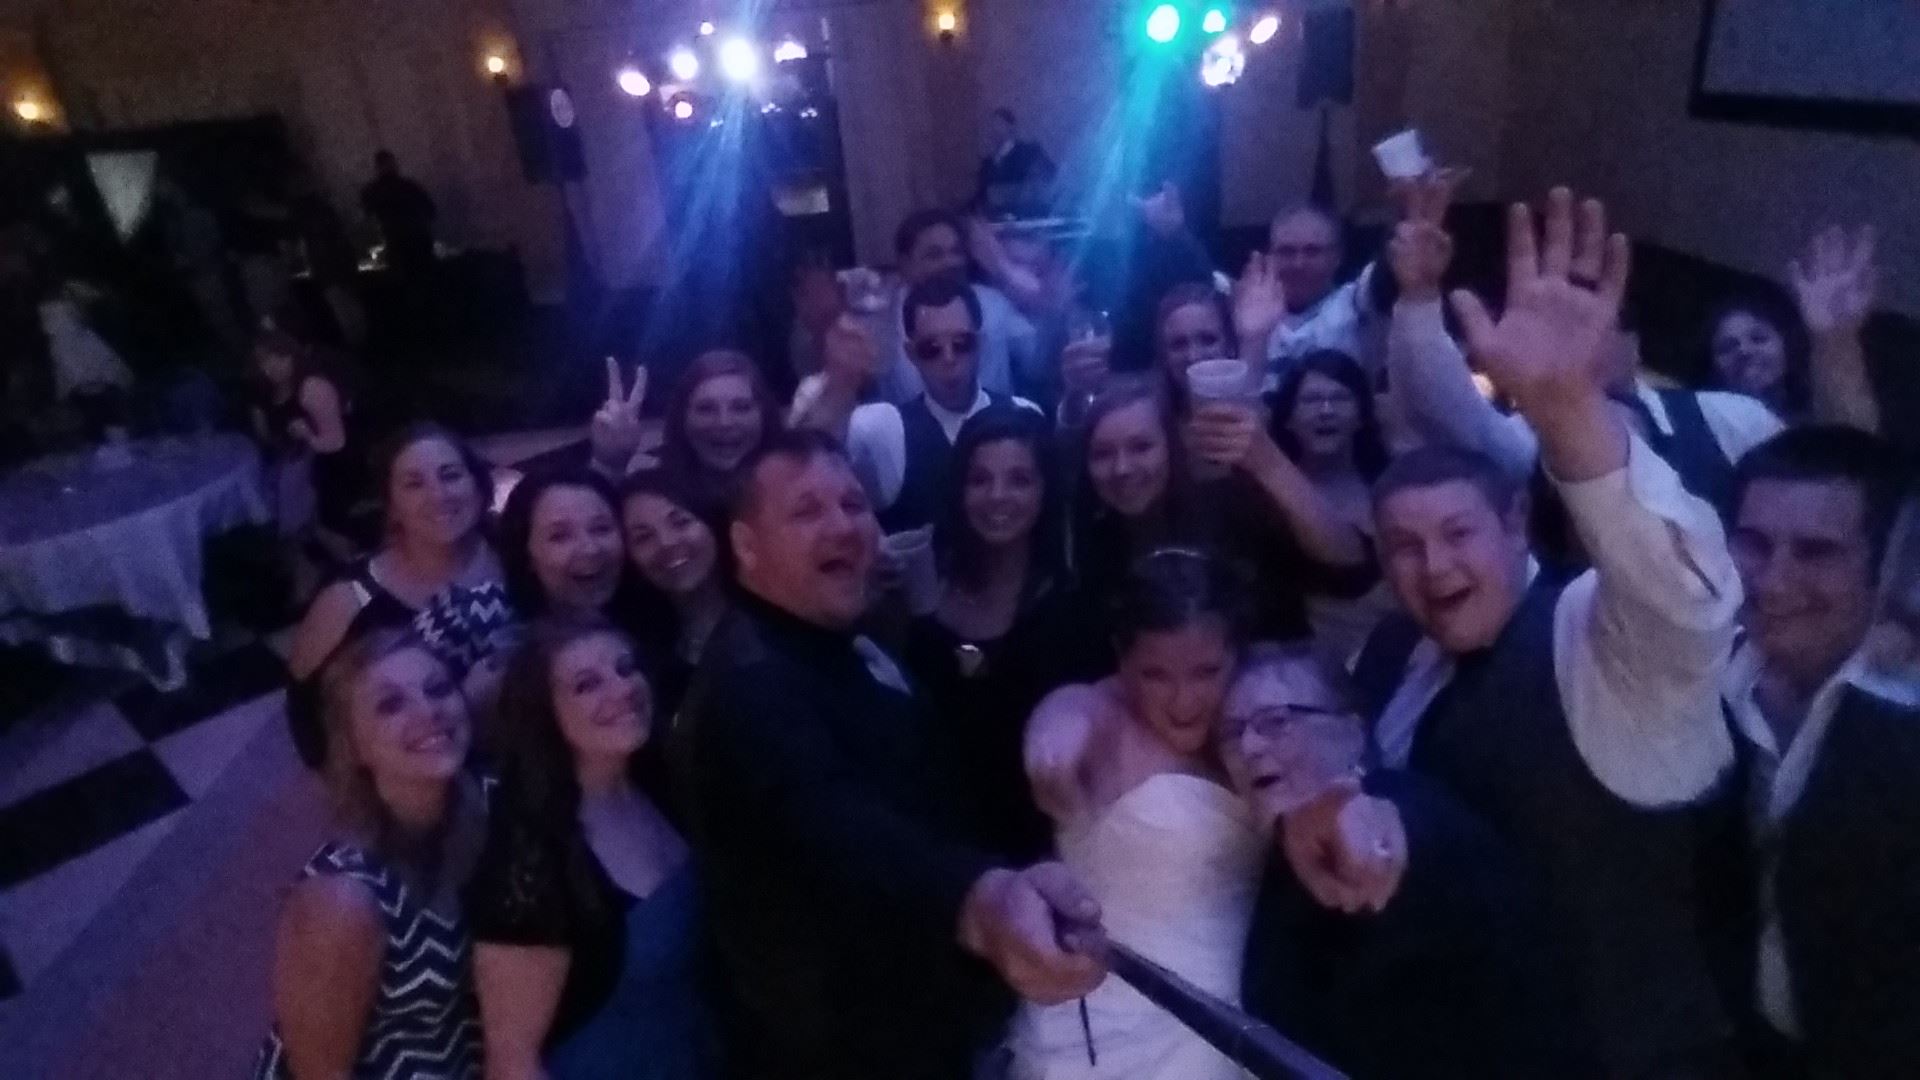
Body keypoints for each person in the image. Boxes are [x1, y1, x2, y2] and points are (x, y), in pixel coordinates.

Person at [1352, 188, 1748, 1075]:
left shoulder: (1597, 639)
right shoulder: (1393, 661)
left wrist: (1569, 410)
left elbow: (1686, 604)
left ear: (1517, 526)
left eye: (1458, 536)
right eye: (1403, 549)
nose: (1435, 566)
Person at [669, 428, 1106, 1080]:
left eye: (852, 504)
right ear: (746, 546)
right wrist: (979, 900)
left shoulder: (841, 638)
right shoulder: (751, 684)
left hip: (911, 1024)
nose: (843, 526)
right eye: (807, 510)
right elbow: (835, 827)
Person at [1223, 645, 1582, 1079]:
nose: (1249, 745)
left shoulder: (1400, 802)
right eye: (1231, 732)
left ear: (1353, 731)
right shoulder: (1277, 870)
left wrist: (1369, 834)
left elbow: (1395, 832)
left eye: (1276, 721)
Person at [1386, 173, 1783, 521]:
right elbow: (1441, 402)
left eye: (1590, 323)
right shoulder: (1530, 438)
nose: (1569, 342)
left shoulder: (1733, 418)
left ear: (1634, 345)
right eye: (1552, 328)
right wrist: (1419, 295)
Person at [1011, 548, 1265, 1080]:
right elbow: (1060, 730)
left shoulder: (1259, 723)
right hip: (1104, 1030)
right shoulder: (1100, 712)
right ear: (1121, 661)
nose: (1183, 700)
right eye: (1155, 675)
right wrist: (1051, 756)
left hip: (1230, 1024)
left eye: (1206, 672)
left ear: (1237, 655)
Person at [1720, 425, 1920, 1078]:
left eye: (1816, 551)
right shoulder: (1703, 685)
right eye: (1753, 543)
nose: (1774, 580)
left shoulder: (1904, 719)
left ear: (1881, 564)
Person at [468, 618, 715, 1080]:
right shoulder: (533, 858)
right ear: (545, 715)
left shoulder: (662, 785)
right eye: (587, 685)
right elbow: (511, 1060)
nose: (622, 690)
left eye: (626, 669)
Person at [253, 630, 488, 1080]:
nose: (429, 711)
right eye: (390, 705)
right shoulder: (344, 902)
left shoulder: (483, 799)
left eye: (438, 688)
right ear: (355, 747)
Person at [902, 406, 1100, 860]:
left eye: (1019, 480)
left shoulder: (1072, 607)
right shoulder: (929, 581)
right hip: (937, 838)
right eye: (980, 480)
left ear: (1045, 489)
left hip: (1041, 848)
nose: (998, 496)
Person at [1071, 376, 1374, 643]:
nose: (1121, 468)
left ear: (1174, 448)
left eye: (1141, 447)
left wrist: (1269, 463)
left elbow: (1351, 568)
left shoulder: (1233, 506)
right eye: (1102, 454)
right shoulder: (1096, 542)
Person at [288, 424, 514, 768]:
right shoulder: (349, 600)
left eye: (450, 475)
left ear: (478, 486)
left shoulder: (515, 546)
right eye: (414, 484)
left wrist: (610, 461)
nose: (439, 495)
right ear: (392, 505)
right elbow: (307, 716)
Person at [809, 273, 1042, 533]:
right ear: (911, 354)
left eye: (961, 344)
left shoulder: (1023, 415)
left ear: (980, 344)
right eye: (931, 348)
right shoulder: (883, 430)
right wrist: (839, 386)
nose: (949, 358)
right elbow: (809, 471)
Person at [1270, 350, 1400, 660]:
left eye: (1339, 398)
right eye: (1311, 400)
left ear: (1360, 416)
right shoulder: (1268, 491)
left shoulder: (1390, 490)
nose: (1325, 410)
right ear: (1288, 418)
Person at [877, 209, 1041, 404]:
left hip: (996, 427)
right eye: (934, 255)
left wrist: (1002, 268)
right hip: (915, 431)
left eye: (956, 252)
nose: (950, 262)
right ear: (906, 264)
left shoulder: (992, 302)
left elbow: (1039, 362)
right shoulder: (884, 313)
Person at [590, 351, 781, 516]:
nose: (724, 422)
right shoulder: (652, 490)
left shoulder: (796, 482)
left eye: (741, 407)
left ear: (764, 414)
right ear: (682, 418)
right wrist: (609, 466)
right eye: (706, 409)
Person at [618, 470, 729, 716]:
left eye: (680, 522)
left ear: (711, 522)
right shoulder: (636, 655)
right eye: (644, 537)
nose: (666, 542)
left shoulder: (776, 618)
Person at [250, 327, 367, 554]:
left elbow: (336, 443)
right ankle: (317, 538)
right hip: (294, 459)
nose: (272, 367)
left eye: (280, 358)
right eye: (265, 362)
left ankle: (323, 541)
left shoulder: (312, 387)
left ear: (292, 355)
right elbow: (271, 436)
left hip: (330, 463)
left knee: (288, 496)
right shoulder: (271, 391)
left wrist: (307, 436)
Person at [1263, 204, 1393, 380]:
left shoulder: (1358, 302)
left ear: (1337, 256)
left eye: (1312, 251)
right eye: (1286, 251)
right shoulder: (1247, 315)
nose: (1298, 263)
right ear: (1271, 256)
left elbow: (1390, 266)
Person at [498, 467, 629, 623]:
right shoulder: (494, 632)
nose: (590, 549)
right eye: (560, 536)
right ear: (526, 553)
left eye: (601, 528)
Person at [360, 150, 437, 277]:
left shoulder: (372, 191)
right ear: (394, 164)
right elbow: (431, 211)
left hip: (397, 247)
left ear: (377, 168)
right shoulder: (410, 186)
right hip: (420, 244)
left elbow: (366, 218)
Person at [975, 108, 1057, 220]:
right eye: (991, 125)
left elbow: (1049, 180)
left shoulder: (1030, 152)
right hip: (995, 227)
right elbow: (981, 198)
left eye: (999, 124)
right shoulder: (987, 165)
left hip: (1028, 223)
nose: (994, 129)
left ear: (1011, 128)